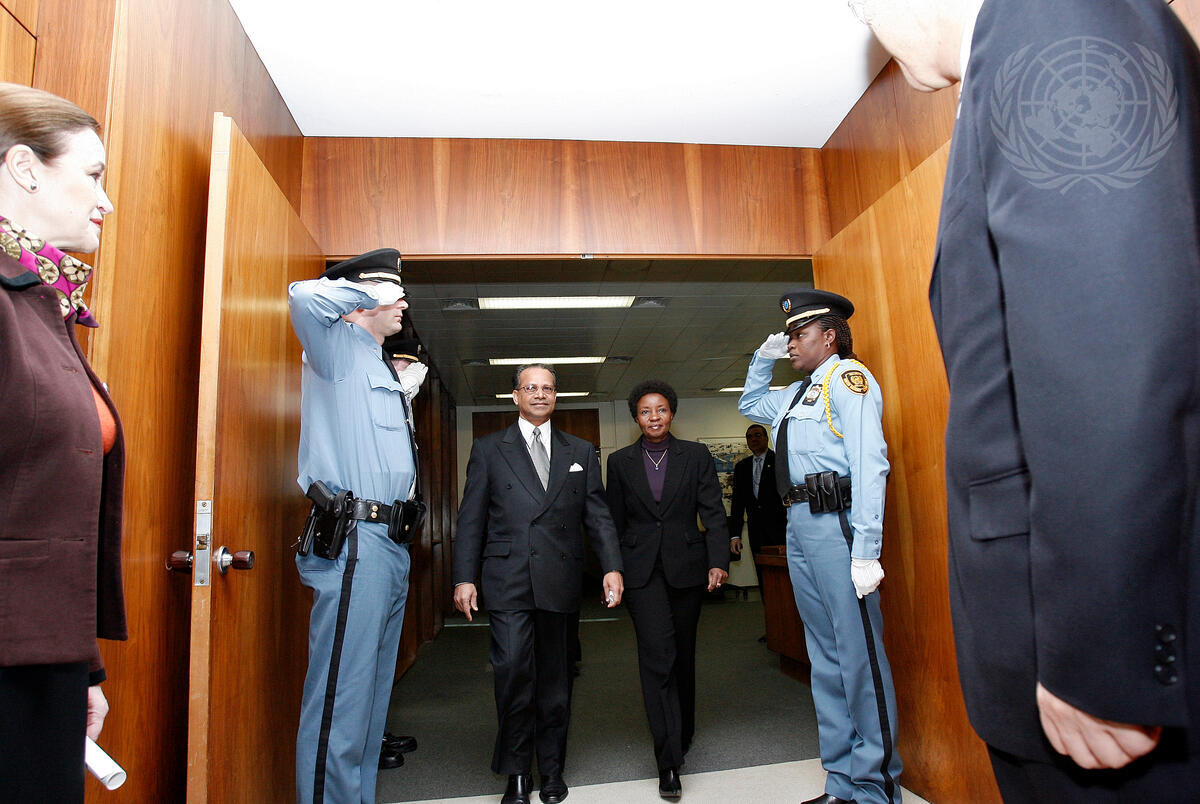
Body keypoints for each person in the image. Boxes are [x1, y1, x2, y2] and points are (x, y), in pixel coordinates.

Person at [846, 0, 1200, 797]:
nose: (877, 34)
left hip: (1085, 659)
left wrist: (1102, 658)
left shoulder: (1048, 19)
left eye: (866, 13)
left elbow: (1111, 341)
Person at [0, 82, 124, 804]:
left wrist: (82, 666)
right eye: (93, 174)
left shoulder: (42, 298)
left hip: (40, 652)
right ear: (24, 168)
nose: (104, 200)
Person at [739, 289, 901, 804]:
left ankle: (876, 788)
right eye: (787, 337)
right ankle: (842, 781)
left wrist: (866, 549)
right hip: (799, 523)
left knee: (858, 655)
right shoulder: (795, 394)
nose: (790, 344)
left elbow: (870, 464)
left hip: (838, 525)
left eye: (798, 335)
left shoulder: (848, 381)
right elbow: (749, 404)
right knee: (825, 657)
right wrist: (761, 358)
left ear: (829, 337)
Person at [453, 363, 624, 804]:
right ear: (515, 396)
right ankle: (516, 773)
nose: (540, 394)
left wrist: (611, 566)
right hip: (507, 579)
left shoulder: (580, 450)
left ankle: (551, 770)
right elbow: (471, 519)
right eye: (530, 387)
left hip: (560, 580)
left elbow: (598, 515)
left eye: (547, 388)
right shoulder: (489, 449)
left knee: (555, 680)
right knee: (512, 672)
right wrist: (464, 577)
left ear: (556, 396)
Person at [288, 247, 416, 803]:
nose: (402, 302)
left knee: (369, 702)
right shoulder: (337, 346)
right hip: (356, 539)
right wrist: (368, 292)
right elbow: (303, 297)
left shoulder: (378, 361)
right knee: (341, 699)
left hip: (391, 542)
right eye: (393, 291)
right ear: (364, 296)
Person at [605, 380, 731, 800]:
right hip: (641, 574)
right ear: (636, 417)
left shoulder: (695, 455)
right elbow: (613, 522)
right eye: (645, 411)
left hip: (687, 569)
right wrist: (612, 569)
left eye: (660, 409)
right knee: (657, 657)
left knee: (682, 656)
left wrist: (717, 560)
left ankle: (683, 730)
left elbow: (713, 511)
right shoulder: (620, 462)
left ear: (672, 413)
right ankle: (668, 762)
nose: (654, 417)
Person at [376, 332, 428, 771]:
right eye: (399, 365)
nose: (407, 373)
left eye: (411, 367)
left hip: (396, 536)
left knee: (382, 651)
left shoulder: (404, 406)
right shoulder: (378, 400)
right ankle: (366, 743)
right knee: (364, 653)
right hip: (371, 535)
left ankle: (375, 732)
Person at [728, 423, 787, 558]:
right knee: (760, 569)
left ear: (766, 438)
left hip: (780, 530)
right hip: (755, 532)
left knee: (783, 569)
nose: (753, 439)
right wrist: (735, 535)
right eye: (749, 437)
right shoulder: (742, 467)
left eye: (757, 435)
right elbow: (737, 503)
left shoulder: (780, 461)